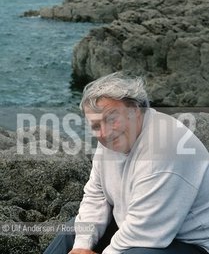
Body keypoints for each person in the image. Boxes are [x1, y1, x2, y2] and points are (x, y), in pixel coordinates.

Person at [44, 72, 209, 254]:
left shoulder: (164, 144)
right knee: (75, 230)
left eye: (112, 119)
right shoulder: (110, 141)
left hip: (190, 242)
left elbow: (145, 231)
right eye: (96, 126)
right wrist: (81, 247)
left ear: (136, 111)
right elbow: (96, 195)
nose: (105, 133)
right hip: (137, 224)